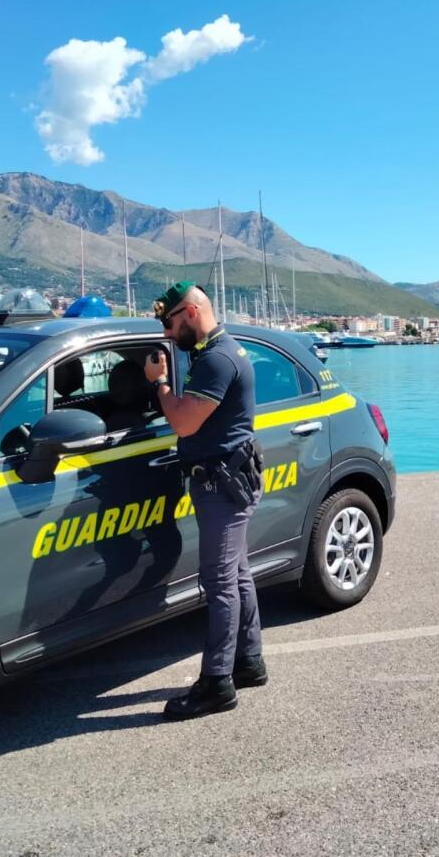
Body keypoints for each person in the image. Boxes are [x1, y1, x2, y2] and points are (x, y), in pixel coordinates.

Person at [144, 281, 266, 720]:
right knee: (237, 574)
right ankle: (248, 661)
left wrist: (159, 383)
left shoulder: (216, 359)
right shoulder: (214, 351)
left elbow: (183, 423)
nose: (168, 333)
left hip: (221, 485)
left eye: (171, 323)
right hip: (228, 479)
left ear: (191, 312)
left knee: (219, 583)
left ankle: (216, 683)